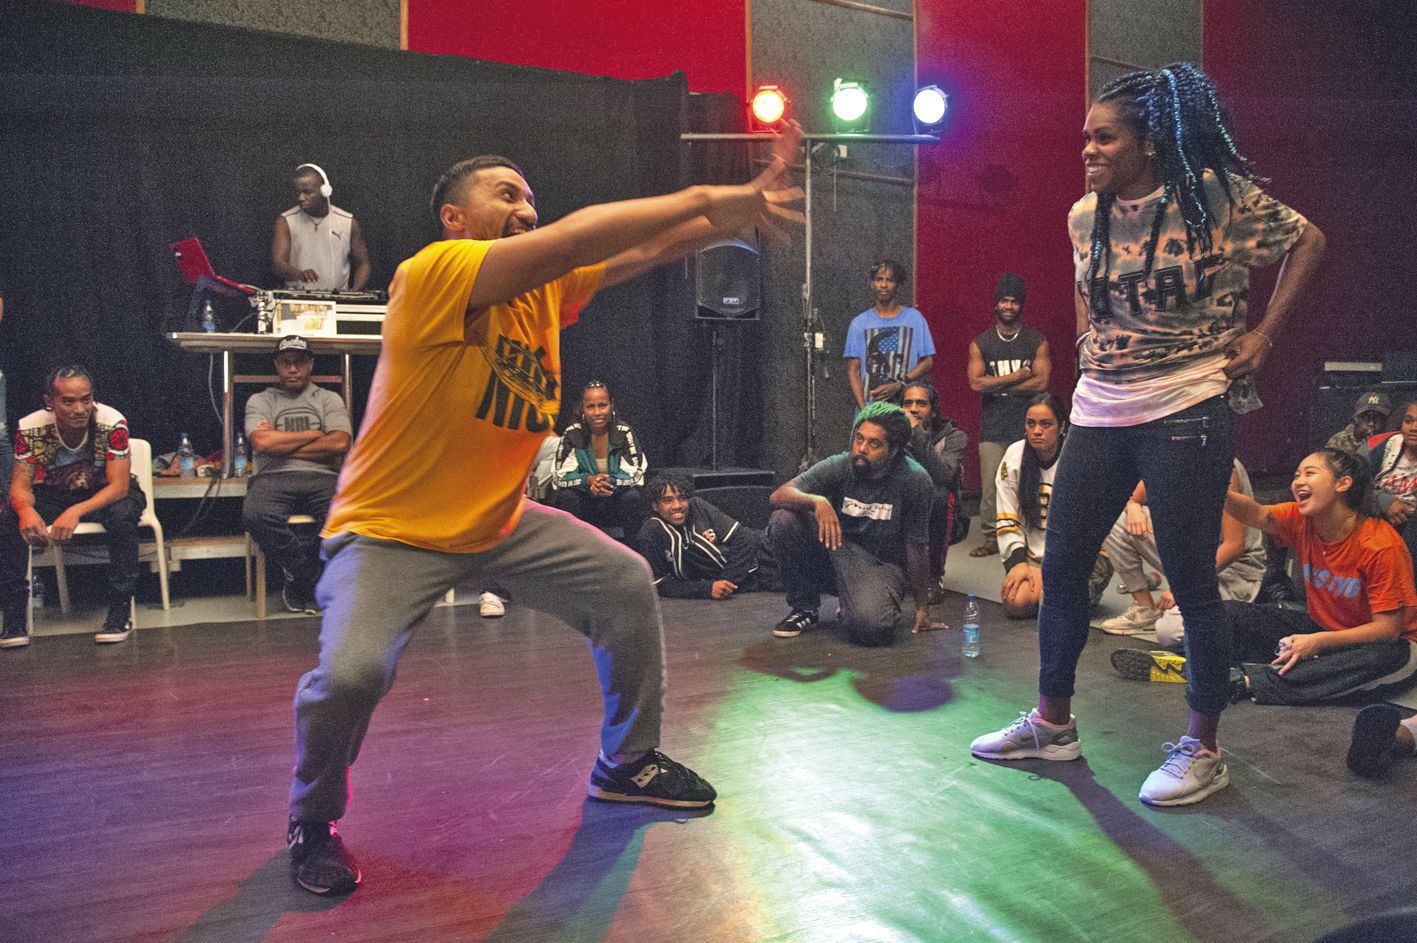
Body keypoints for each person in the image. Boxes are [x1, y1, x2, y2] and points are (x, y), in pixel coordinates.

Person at [283, 128, 805, 895]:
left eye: (531, 196)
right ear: (454, 219)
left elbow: (638, 252)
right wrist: (704, 196)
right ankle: (312, 816)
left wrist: (732, 216)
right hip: (391, 530)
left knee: (625, 584)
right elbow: (575, 240)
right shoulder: (433, 273)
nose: (526, 207)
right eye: (506, 193)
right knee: (352, 673)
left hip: (496, 520)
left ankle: (626, 765)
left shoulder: (543, 293)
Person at [970, 63, 1326, 807]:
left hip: (1187, 401)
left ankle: (1202, 746)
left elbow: (1308, 240)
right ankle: (1052, 722)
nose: (1087, 151)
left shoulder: (1215, 201)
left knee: (1190, 579)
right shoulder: (1082, 216)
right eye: (1083, 139)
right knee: (1062, 565)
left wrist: (1263, 334)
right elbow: (1083, 290)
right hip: (1100, 405)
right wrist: (1088, 359)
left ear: (1148, 143)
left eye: (1103, 139)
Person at [1190, 449, 1417, 707]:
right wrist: (1216, 490)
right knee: (1228, 614)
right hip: (1321, 629)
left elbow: (1387, 630)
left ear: (1343, 483)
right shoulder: (1302, 519)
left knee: (1385, 657)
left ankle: (1252, 681)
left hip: (1385, 645)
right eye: (1297, 475)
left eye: (1310, 473)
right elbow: (1258, 515)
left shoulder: (1380, 545)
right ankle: (1207, 666)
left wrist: (1318, 642)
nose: (1298, 481)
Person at [0, 366, 145, 648]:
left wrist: (75, 512)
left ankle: (119, 613)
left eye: (86, 399)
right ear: (49, 401)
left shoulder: (112, 422)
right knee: (8, 515)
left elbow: (119, 487)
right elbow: (20, 486)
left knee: (123, 516)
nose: (80, 408)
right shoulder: (31, 427)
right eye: (68, 401)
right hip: (56, 491)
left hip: (106, 492)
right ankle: (14, 619)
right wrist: (24, 510)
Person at [766, 402, 934, 645]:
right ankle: (805, 609)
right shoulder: (842, 464)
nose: (861, 449)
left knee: (872, 629)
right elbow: (779, 495)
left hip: (878, 563)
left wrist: (922, 608)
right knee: (784, 519)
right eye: (859, 439)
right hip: (835, 546)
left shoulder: (915, 480)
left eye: (874, 443)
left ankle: (856, 604)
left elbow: (916, 546)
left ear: (894, 450)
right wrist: (817, 501)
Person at [242, 335, 352, 615]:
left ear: (310, 364)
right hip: (273, 478)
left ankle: (307, 579)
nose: (293, 369)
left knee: (344, 517)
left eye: (299, 363)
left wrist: (282, 446)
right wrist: (314, 435)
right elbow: (262, 443)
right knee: (256, 515)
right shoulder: (260, 400)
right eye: (286, 363)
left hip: (323, 476)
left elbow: (340, 443)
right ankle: (303, 575)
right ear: (277, 365)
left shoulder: (328, 398)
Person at [1098, 458, 1266, 640]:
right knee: (1113, 518)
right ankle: (1145, 608)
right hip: (1192, 556)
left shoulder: (1220, 462)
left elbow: (1234, 547)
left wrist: (1184, 586)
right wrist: (1133, 507)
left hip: (1232, 571)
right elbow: (1134, 497)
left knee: (1169, 633)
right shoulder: (1169, 452)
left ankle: (1238, 626)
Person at [966, 273, 1051, 558]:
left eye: (1014, 301)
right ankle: (992, 537)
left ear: (1021, 305)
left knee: (1029, 479)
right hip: (993, 426)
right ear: (996, 304)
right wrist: (1017, 377)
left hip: (1028, 424)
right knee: (992, 484)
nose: (1009, 306)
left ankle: (1030, 533)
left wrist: (998, 383)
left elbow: (1042, 382)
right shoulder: (982, 343)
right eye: (1004, 300)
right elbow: (976, 383)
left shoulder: (1036, 340)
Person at [637, 473, 778, 600]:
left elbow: (744, 538)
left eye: (682, 498)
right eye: (668, 500)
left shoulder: (697, 506)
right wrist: (707, 589)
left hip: (763, 554)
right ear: (655, 506)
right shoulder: (651, 533)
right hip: (753, 580)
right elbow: (660, 584)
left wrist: (727, 581)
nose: (677, 505)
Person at [993, 394, 1068, 620]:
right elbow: (1007, 518)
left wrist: (1053, 572)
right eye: (1031, 423)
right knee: (1017, 603)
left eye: (1046, 424)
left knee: (1056, 606)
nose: (1037, 431)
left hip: (1075, 557)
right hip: (1033, 557)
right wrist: (1018, 564)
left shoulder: (1076, 457)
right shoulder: (1015, 455)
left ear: (1062, 426)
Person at [550, 381, 648, 541]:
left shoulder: (624, 433)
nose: (597, 412)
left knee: (632, 497)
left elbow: (636, 474)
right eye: (590, 406)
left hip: (615, 498)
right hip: (585, 499)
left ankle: (635, 551)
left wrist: (608, 482)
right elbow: (560, 476)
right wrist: (588, 481)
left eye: (602, 405)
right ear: (582, 409)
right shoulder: (572, 434)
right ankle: (576, 550)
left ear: (611, 406)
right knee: (566, 497)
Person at [901, 380, 967, 602]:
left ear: (934, 410)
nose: (913, 409)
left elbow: (943, 476)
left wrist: (916, 433)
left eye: (921, 403)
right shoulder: (890, 433)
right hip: (898, 505)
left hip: (939, 512)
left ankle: (933, 576)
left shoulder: (954, 437)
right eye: (907, 403)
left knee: (939, 496)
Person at [843, 260, 935, 410]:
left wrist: (900, 384)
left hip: (906, 407)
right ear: (872, 284)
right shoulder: (859, 323)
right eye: (879, 279)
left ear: (897, 284)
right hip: (871, 407)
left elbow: (928, 362)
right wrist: (863, 410)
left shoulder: (915, 319)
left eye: (890, 280)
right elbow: (854, 370)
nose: (884, 285)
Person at [272, 163, 371, 291]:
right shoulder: (285, 221)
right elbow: (278, 263)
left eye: (307, 192)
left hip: (338, 300)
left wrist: (354, 293)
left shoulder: (348, 222)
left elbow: (363, 264)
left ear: (325, 191)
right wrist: (299, 274)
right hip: (299, 300)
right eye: (298, 193)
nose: (301, 198)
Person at [1368, 400, 1417, 578]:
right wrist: (1384, 501)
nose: (1413, 427)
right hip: (1375, 515)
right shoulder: (1384, 445)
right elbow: (1349, 481)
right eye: (1408, 421)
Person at [1327, 390, 1391, 456]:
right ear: (1357, 418)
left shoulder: (1391, 442)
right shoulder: (1340, 441)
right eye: (1366, 417)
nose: (1371, 423)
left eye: (1377, 418)